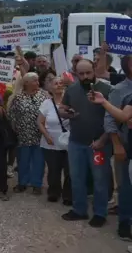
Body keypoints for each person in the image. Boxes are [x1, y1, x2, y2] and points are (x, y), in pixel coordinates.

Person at [59, 59, 112, 228]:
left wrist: (103, 140)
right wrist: (67, 114)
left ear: (94, 70)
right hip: (76, 143)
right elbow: (62, 108)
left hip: (100, 145)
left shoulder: (107, 89)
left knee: (100, 180)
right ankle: (79, 210)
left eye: (88, 72)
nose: (85, 76)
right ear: (75, 73)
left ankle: (99, 213)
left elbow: (114, 119)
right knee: (77, 178)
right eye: (81, 74)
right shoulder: (72, 89)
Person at [92, 53, 132, 241]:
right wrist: (117, 145)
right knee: (125, 186)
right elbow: (112, 119)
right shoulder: (120, 90)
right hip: (126, 145)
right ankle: (125, 222)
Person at [8, 72, 47, 195]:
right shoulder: (18, 97)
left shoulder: (44, 96)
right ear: (26, 83)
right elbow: (12, 115)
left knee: (39, 160)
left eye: (37, 80)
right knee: (23, 160)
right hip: (23, 134)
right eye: (34, 80)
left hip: (39, 134)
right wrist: (15, 129)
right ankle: (22, 182)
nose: (37, 83)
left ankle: (37, 184)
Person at [37, 76, 72, 205]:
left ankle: (69, 194)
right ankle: (54, 192)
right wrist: (46, 136)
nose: (58, 85)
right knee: (53, 169)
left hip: (69, 142)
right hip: (50, 142)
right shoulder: (46, 103)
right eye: (55, 83)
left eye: (61, 83)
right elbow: (40, 122)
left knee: (69, 170)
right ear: (50, 87)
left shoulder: (71, 102)